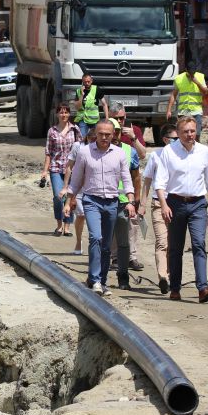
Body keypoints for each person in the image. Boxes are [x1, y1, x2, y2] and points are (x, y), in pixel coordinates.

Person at [64, 119, 136, 295]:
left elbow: (127, 178)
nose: (104, 137)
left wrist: (131, 200)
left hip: (112, 201)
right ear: (95, 134)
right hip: (91, 200)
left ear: (113, 135)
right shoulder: (84, 152)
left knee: (105, 244)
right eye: (101, 134)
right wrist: (69, 201)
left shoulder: (119, 154)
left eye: (108, 134)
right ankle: (95, 279)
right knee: (96, 237)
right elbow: (77, 178)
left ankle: (101, 281)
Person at [154, 116, 208, 302]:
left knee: (199, 243)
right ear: (179, 133)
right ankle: (175, 288)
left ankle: (203, 289)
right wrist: (164, 205)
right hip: (175, 203)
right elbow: (160, 183)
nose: (190, 135)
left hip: (198, 203)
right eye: (186, 132)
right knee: (175, 248)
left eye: (193, 131)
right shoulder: (168, 152)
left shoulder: (204, 151)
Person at [138, 124, 178, 294]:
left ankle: (171, 274)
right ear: (165, 139)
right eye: (174, 139)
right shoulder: (156, 156)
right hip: (158, 205)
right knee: (162, 241)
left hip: (177, 204)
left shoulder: (183, 156)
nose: (178, 141)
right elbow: (147, 181)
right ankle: (163, 276)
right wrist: (142, 205)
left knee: (173, 243)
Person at [109, 105, 146, 272]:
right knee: (113, 228)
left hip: (127, 195)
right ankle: (115, 257)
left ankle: (131, 257)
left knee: (132, 226)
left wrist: (137, 198)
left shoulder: (131, 143)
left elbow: (137, 173)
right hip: (108, 194)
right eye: (116, 119)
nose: (119, 123)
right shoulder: (102, 144)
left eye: (122, 118)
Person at [43, 103, 81, 236]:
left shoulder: (75, 130)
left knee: (69, 197)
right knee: (58, 197)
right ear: (57, 114)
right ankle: (59, 225)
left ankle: (67, 227)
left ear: (69, 114)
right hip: (56, 168)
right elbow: (48, 152)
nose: (63, 115)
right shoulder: (52, 131)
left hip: (72, 169)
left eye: (66, 112)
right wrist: (44, 171)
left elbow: (80, 149)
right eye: (61, 112)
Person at [61, 126, 98, 255]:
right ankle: (78, 241)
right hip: (78, 188)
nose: (93, 141)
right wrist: (66, 187)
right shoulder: (78, 146)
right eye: (91, 138)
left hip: (93, 187)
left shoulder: (101, 149)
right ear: (87, 137)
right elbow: (69, 167)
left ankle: (95, 243)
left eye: (95, 139)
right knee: (81, 215)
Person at [166, 62, 208, 140]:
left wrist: (197, 82)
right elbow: (173, 95)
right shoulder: (179, 78)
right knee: (183, 134)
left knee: (196, 135)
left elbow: (205, 91)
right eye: (190, 72)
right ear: (186, 70)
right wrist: (169, 110)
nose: (192, 74)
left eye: (193, 72)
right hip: (183, 112)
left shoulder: (200, 77)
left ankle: (195, 150)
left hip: (196, 111)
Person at [74, 73, 109, 139]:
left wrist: (107, 118)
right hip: (83, 120)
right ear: (82, 81)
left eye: (88, 81)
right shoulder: (78, 91)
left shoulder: (96, 89)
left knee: (96, 138)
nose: (87, 83)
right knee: (82, 139)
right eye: (85, 82)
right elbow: (77, 107)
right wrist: (82, 95)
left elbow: (104, 104)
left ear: (91, 81)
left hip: (94, 121)